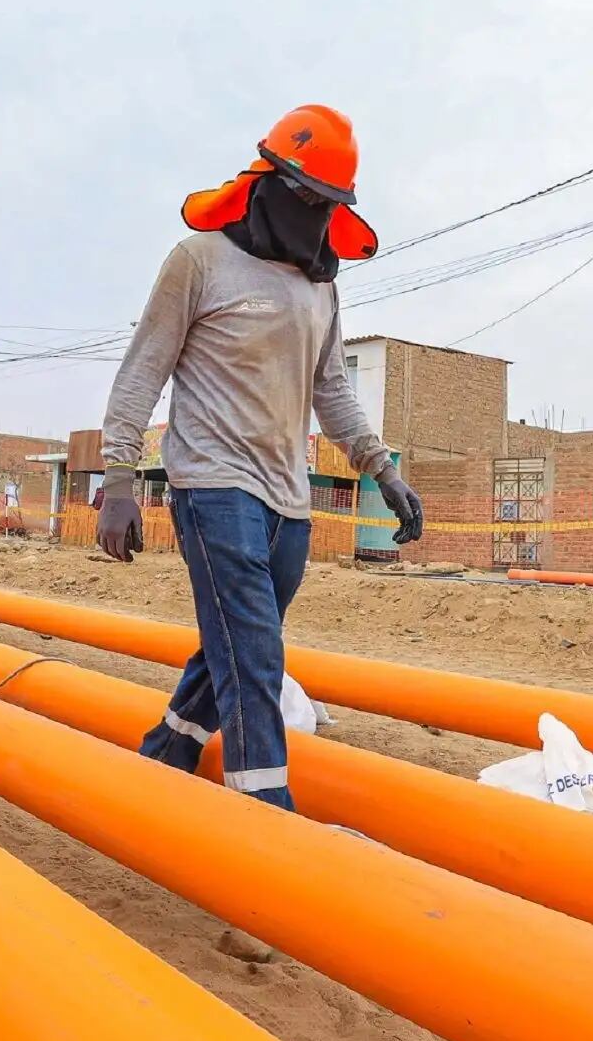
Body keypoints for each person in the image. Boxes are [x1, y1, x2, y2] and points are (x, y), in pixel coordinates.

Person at [98, 104, 423, 812]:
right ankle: (264, 818)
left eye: (328, 203)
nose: (313, 213)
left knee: (234, 645)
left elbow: (331, 387)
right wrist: (119, 477)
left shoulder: (320, 286)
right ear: (269, 180)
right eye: (306, 196)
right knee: (253, 656)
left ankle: (165, 757)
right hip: (211, 486)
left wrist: (383, 468)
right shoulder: (199, 261)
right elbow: (141, 370)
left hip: (288, 500)